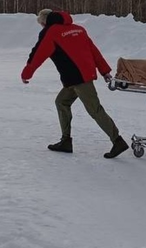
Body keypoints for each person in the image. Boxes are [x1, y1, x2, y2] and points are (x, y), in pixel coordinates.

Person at [21, 9, 129, 159]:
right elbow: (94, 51)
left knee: (95, 110)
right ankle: (66, 141)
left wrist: (27, 73)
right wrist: (104, 71)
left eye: (41, 24)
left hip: (78, 78)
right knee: (62, 102)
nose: (41, 27)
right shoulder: (78, 29)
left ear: (44, 22)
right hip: (78, 77)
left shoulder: (50, 32)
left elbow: (38, 53)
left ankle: (118, 141)